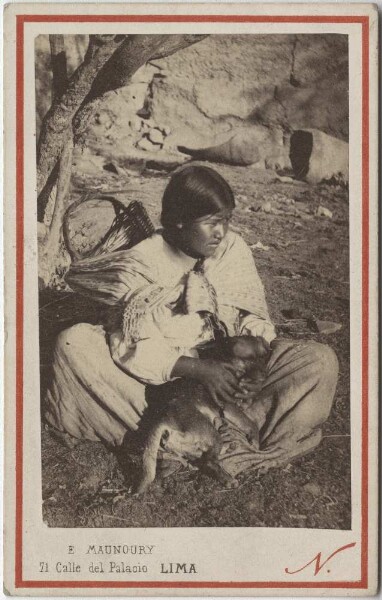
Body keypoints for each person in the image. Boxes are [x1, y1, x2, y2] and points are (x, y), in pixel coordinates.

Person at [44, 165, 338, 477]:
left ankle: (219, 441)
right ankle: (196, 438)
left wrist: (251, 360)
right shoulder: (141, 263)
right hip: (166, 386)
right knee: (74, 344)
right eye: (212, 222)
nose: (221, 232)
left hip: (233, 375)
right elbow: (129, 347)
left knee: (318, 360)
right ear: (180, 220)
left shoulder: (229, 250)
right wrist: (199, 369)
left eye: (225, 220)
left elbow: (254, 317)